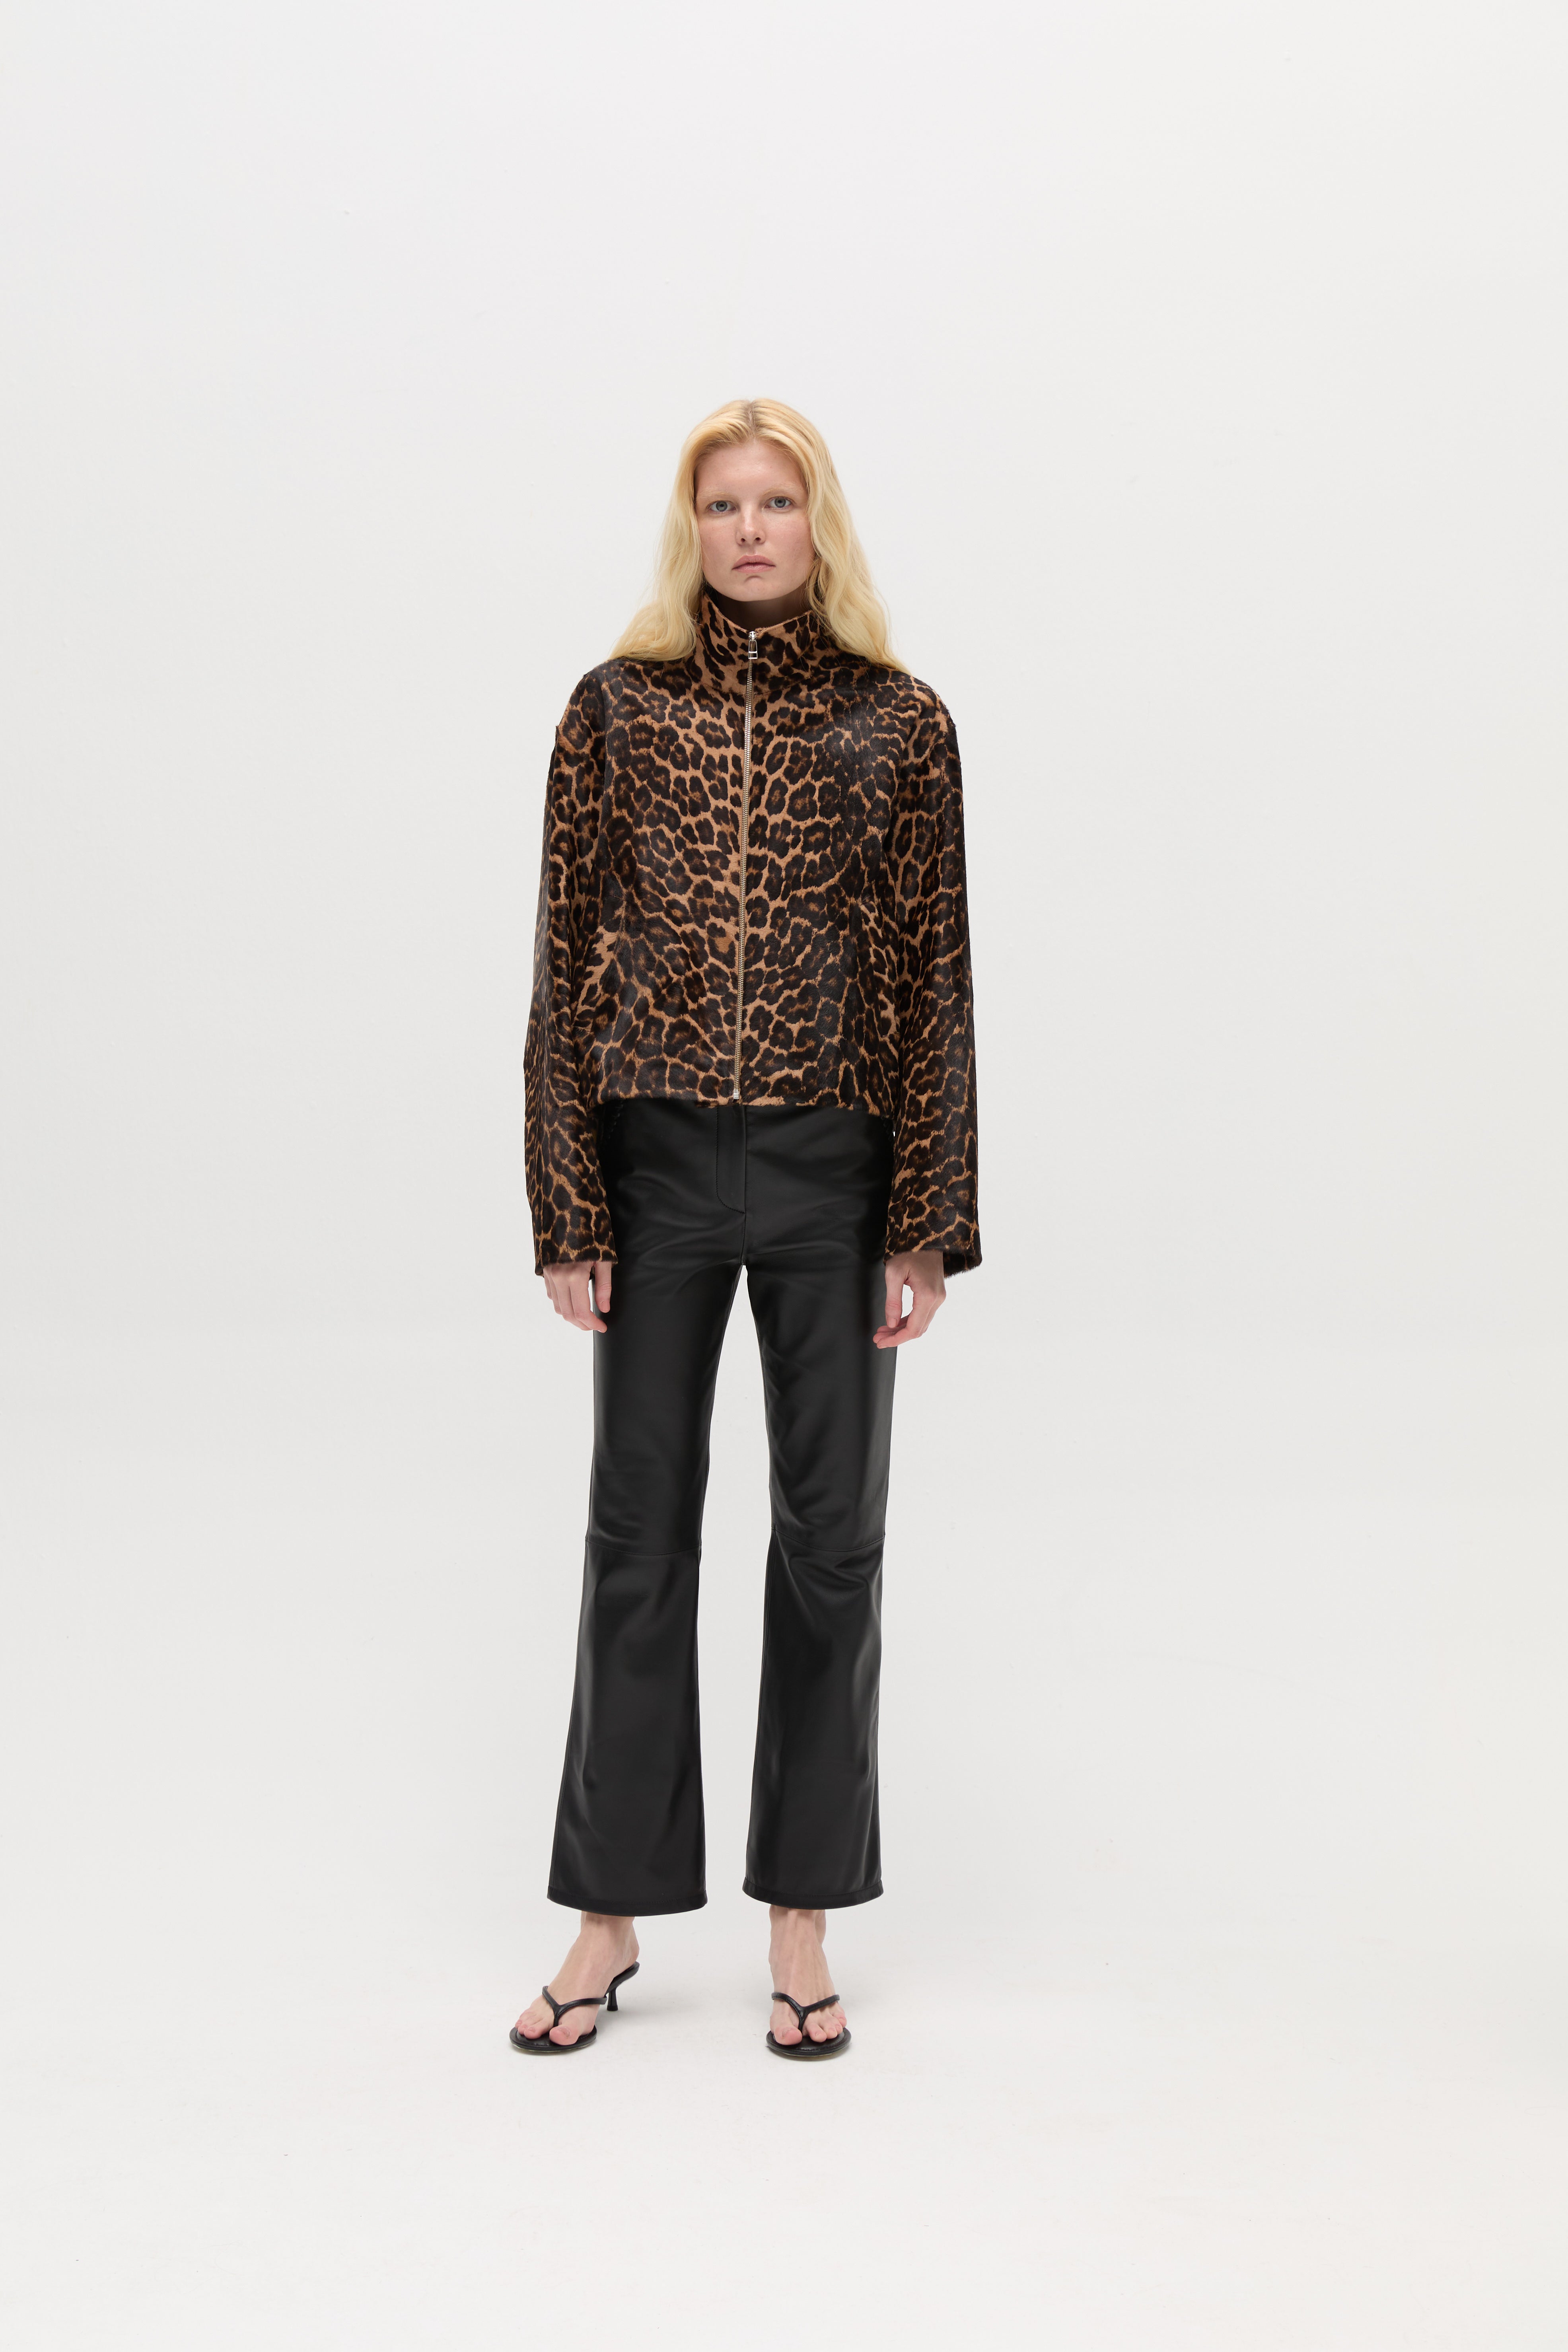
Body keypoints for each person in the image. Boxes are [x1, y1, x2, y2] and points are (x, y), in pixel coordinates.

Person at [511, 399, 980, 2059]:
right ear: (690, 526)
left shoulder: (899, 725)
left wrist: (922, 1221)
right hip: (651, 1170)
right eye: (723, 504)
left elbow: (934, 979)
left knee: (831, 1540)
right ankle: (608, 1916)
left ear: (817, 521)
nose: (751, 529)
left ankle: (801, 1918)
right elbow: (564, 960)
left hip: (830, 1177)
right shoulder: (615, 713)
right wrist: (568, 1203)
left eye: (777, 501)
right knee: (636, 1536)